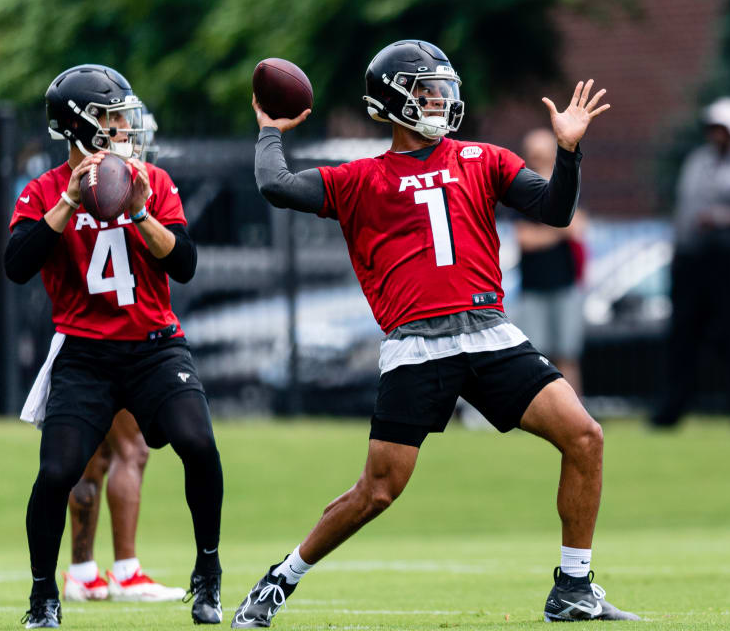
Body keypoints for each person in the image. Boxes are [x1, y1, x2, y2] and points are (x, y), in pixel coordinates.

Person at [231, 40, 638, 626]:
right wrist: (270, 129)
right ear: (393, 103)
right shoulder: (359, 178)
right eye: (425, 91)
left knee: (585, 437)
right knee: (378, 490)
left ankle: (573, 586)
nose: (440, 100)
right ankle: (279, 581)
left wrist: (569, 152)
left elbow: (554, 211)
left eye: (443, 89)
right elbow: (276, 185)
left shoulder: (484, 157)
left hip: (489, 331)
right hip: (417, 344)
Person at [5, 64, 224, 627]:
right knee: (57, 472)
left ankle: (208, 572)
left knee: (198, 443)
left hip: (154, 347)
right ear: (81, 127)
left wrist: (142, 212)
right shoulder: (43, 191)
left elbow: (186, 264)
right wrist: (70, 203)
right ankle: (42, 595)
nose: (126, 125)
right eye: (112, 117)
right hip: (84, 353)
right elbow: (16, 265)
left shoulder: (153, 181)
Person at [652, 97, 730, 429]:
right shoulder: (697, 161)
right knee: (683, 334)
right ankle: (670, 412)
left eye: (722, 129)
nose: (715, 135)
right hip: (691, 260)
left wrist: (723, 218)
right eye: (712, 128)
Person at [61, 410, 186, 603]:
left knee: (95, 455)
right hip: (116, 377)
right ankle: (126, 575)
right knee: (132, 449)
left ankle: (82, 576)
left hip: (81, 380)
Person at [513, 127, 588, 395]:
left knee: (568, 352)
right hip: (534, 286)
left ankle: (576, 410)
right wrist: (560, 229)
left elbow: (579, 227)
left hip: (565, 283)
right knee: (538, 355)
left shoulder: (567, 186)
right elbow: (525, 240)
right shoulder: (520, 190)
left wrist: (545, 232)